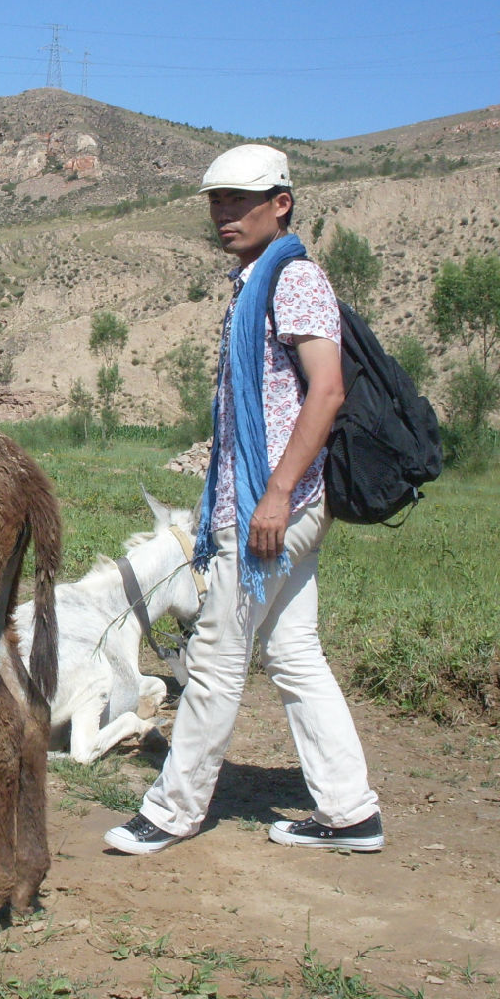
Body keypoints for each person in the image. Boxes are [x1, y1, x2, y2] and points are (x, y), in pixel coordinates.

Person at [105, 144, 383, 855]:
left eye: (240, 200)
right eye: (216, 201)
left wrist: (277, 494)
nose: (224, 214)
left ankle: (172, 810)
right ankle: (350, 811)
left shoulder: (292, 280)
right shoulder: (256, 281)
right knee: (293, 655)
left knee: (218, 653)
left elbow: (327, 390)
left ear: (281, 203)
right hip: (271, 502)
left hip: (271, 507)